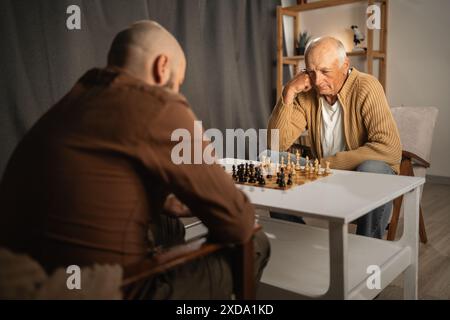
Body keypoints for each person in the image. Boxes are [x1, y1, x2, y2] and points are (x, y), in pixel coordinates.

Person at [0, 20, 269, 299]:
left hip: (35, 273)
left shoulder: (74, 101)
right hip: (110, 289)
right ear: (161, 66)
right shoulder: (160, 105)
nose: (177, 93)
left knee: (169, 226)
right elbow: (237, 223)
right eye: (177, 84)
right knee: (256, 242)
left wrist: (162, 201)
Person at [267, 37, 401, 239]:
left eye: (325, 71)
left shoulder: (367, 86)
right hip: (323, 173)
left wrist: (327, 165)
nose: (317, 80)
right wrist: (288, 92)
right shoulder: (306, 93)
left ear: (345, 65)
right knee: (270, 159)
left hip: (356, 174)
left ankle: (366, 248)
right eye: (310, 72)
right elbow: (276, 144)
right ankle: (299, 238)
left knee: (371, 169)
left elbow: (389, 148)